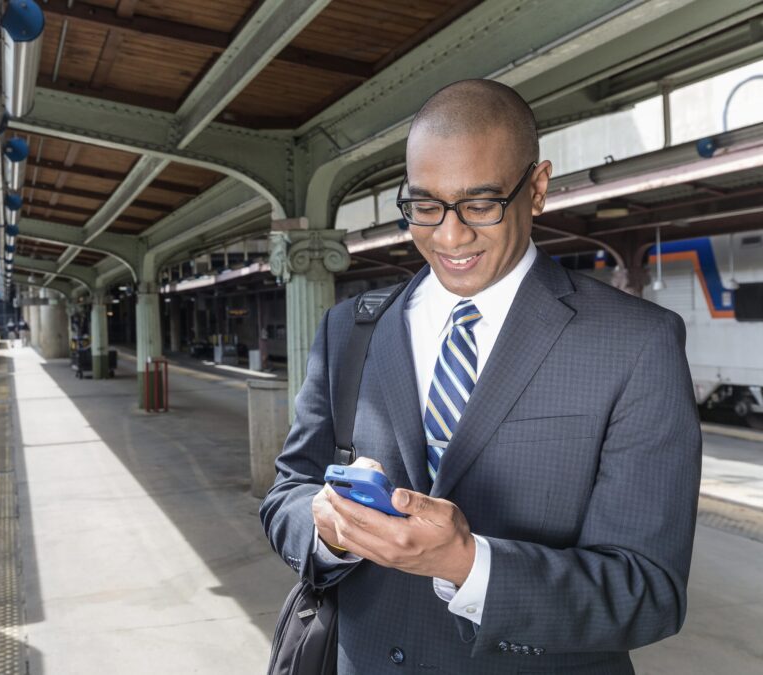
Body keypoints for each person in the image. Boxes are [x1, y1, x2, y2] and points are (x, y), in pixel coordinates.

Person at [260, 79, 701, 674]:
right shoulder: (350, 331)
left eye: (480, 204)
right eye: (424, 205)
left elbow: (649, 592)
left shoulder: (636, 342)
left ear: (537, 189)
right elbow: (288, 492)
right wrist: (331, 533)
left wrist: (466, 565)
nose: (448, 235)